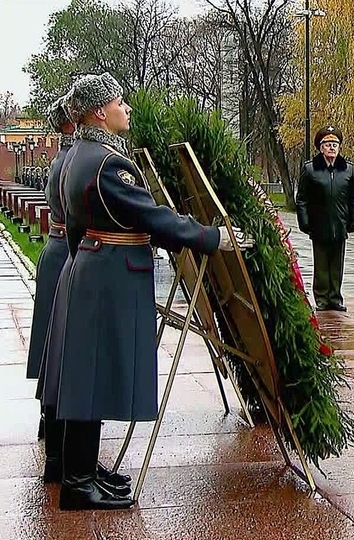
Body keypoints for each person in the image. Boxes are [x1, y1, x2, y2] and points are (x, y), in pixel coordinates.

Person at [52, 72, 253, 510]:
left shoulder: (82, 156)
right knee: (91, 377)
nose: (127, 109)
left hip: (93, 269)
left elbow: (82, 226)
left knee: (90, 374)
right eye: (120, 102)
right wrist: (212, 237)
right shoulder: (107, 163)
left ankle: (83, 471)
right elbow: (150, 216)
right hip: (107, 277)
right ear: (100, 112)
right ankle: (78, 482)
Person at [25, 93, 73, 468]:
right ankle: (58, 452)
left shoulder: (64, 156)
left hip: (57, 252)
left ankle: (52, 429)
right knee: (61, 355)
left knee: (52, 350)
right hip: (64, 256)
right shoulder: (72, 158)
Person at [295, 125, 354, 312]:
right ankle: (322, 298)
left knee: (337, 264)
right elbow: (302, 199)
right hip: (319, 224)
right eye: (328, 144)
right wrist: (305, 222)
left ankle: (335, 298)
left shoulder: (348, 170)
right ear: (320, 147)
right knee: (321, 264)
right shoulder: (310, 170)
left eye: (335, 144)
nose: (332, 147)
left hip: (340, 224)